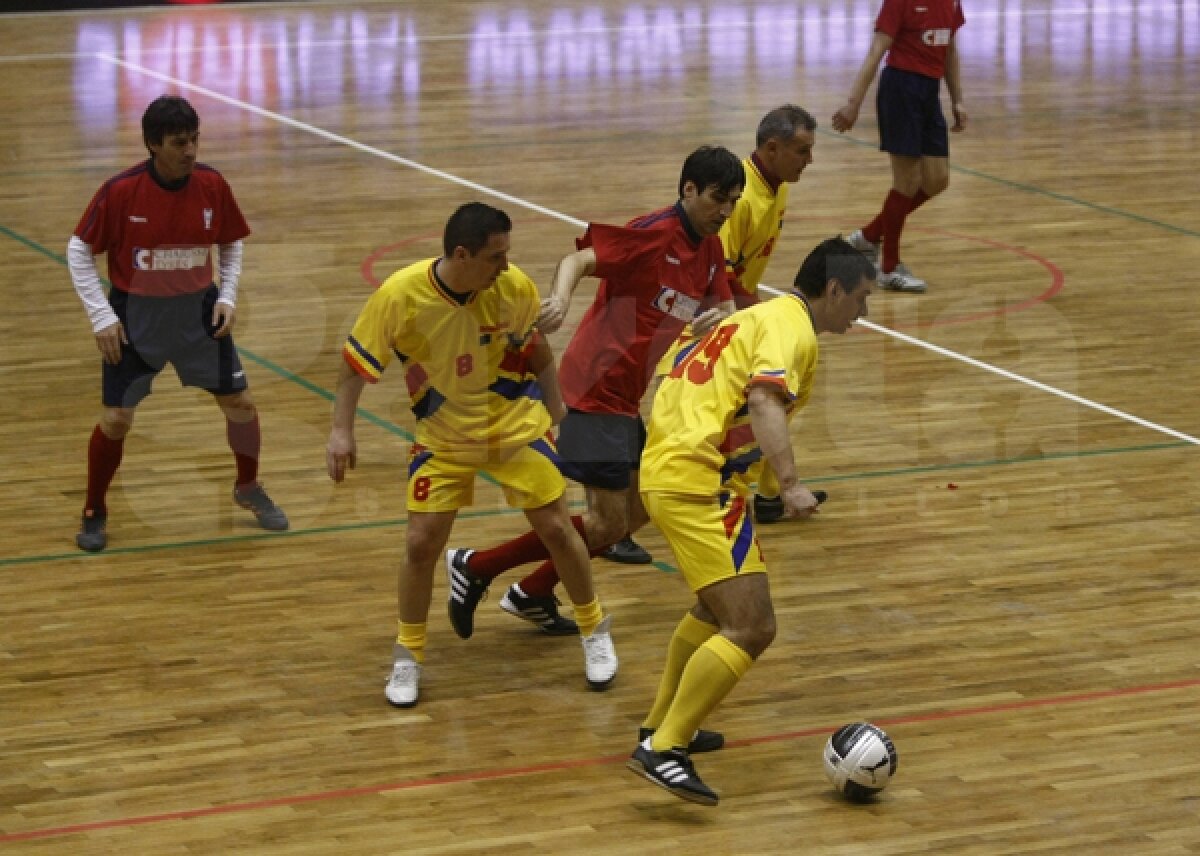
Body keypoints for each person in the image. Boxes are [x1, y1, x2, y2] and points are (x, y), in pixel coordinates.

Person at [443, 146, 744, 641]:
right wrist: (560, 298)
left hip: (626, 399)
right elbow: (577, 259)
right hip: (592, 388)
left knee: (642, 507)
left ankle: (530, 592)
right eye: (718, 199)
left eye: (733, 201)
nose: (726, 211)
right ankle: (478, 565)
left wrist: (723, 316)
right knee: (606, 524)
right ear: (688, 189)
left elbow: (725, 300)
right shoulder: (653, 235)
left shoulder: (709, 242)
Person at [325, 202, 618, 708]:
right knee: (420, 544)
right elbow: (355, 365)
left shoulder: (514, 288)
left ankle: (594, 630)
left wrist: (557, 410)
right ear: (462, 255)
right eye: (496, 257)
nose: (506, 266)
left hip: (515, 427)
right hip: (444, 437)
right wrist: (340, 431)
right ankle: (407, 656)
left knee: (557, 529)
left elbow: (536, 352)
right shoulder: (400, 295)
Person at [626, 237, 875, 806]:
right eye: (860, 299)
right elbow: (764, 401)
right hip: (699, 479)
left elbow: (672, 380)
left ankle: (662, 725)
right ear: (832, 290)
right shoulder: (790, 328)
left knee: (712, 609)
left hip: (676, 468)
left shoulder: (752, 318)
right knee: (752, 625)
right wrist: (788, 485)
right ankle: (663, 749)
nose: (863, 314)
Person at [68, 94, 288, 553]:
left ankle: (247, 486)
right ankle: (94, 508)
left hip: (198, 316)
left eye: (194, 140)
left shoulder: (211, 184)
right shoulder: (121, 191)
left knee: (241, 404)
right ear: (153, 145)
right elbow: (78, 250)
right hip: (136, 320)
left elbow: (231, 241)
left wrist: (226, 295)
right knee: (116, 419)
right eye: (178, 143)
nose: (190, 151)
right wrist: (101, 317)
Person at [708, 103, 829, 525]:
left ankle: (770, 493)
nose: (810, 160)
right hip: (711, 314)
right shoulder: (740, 199)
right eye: (803, 151)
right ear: (773, 148)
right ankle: (751, 489)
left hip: (740, 307)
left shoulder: (777, 184)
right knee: (769, 396)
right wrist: (754, 324)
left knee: (783, 393)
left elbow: (746, 266)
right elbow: (716, 273)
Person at [831, 0, 966, 293]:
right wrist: (853, 104)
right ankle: (889, 268)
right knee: (906, 182)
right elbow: (876, 50)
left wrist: (957, 99)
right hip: (901, 88)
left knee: (938, 179)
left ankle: (869, 235)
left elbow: (950, 51)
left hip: (929, 93)